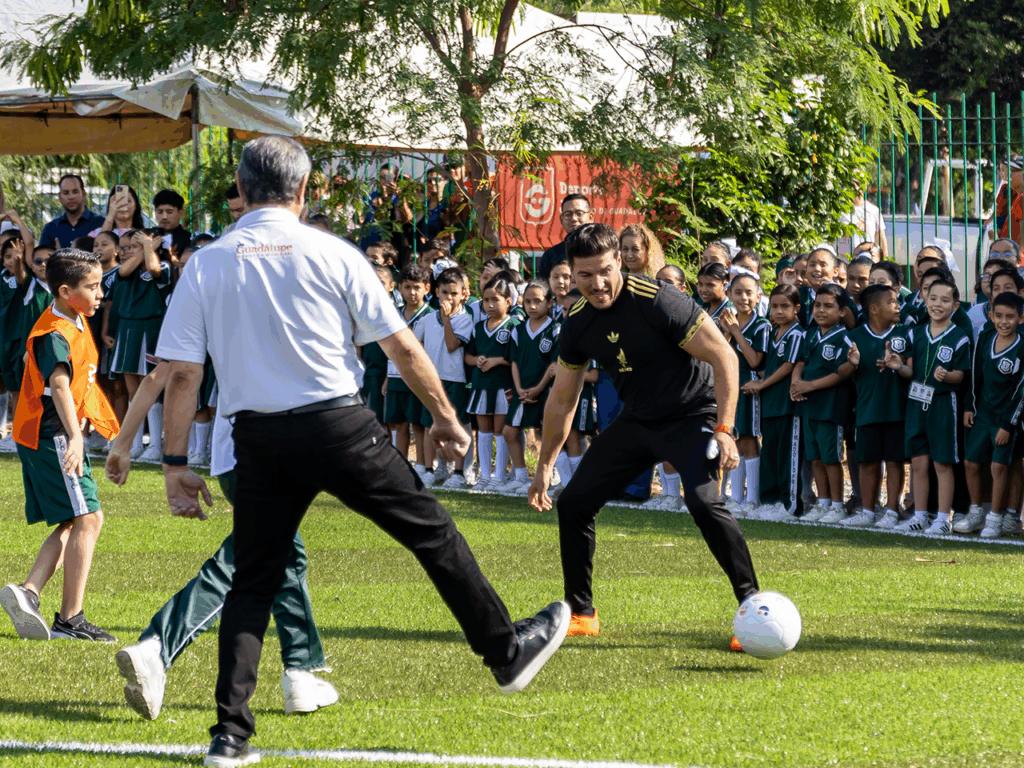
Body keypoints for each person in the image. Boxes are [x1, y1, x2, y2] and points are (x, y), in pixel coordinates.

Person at [154, 136, 570, 767]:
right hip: (338, 425)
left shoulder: (209, 263)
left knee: (255, 579)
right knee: (432, 533)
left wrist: (177, 464)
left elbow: (181, 373)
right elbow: (403, 348)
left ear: (242, 186)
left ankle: (230, 736)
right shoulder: (331, 252)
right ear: (303, 189)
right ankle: (505, 653)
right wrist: (447, 419)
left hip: (258, 437)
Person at [527, 223, 760, 647]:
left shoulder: (659, 300)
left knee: (704, 502)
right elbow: (562, 399)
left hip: (693, 416)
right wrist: (544, 466)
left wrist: (725, 431)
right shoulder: (576, 322)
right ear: (570, 274)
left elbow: (724, 357)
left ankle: (753, 609)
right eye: (585, 276)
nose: (597, 284)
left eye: (604, 271)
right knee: (574, 503)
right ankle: (581, 613)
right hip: (638, 422)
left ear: (620, 261)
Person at [104, 362, 337, 720]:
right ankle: (158, 648)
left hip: (232, 457)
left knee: (287, 556)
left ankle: (300, 673)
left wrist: (126, 444)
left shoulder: (209, 303)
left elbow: (160, 377)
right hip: (273, 451)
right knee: (246, 559)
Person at [0, 248, 118, 643]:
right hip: (49, 436)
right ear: (66, 291)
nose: (101, 293)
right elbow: (60, 385)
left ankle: (28, 592)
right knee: (89, 518)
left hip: (46, 435)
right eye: (93, 286)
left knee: (74, 519)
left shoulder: (75, 320)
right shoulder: (53, 331)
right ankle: (70, 619)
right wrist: (75, 438)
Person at [890, 276, 970, 533]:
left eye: (945, 300)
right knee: (918, 463)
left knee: (942, 463)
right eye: (933, 298)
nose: (938, 304)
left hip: (944, 405)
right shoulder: (916, 333)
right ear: (924, 300)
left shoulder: (959, 337)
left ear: (955, 306)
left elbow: (961, 375)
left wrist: (947, 376)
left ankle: (943, 518)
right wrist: (898, 366)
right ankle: (920, 515)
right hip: (916, 403)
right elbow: (909, 371)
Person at [844, 284, 910, 529]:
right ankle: (868, 510)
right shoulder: (855, 337)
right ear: (873, 309)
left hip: (897, 411)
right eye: (892, 302)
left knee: (894, 462)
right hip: (866, 411)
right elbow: (842, 373)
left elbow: (912, 371)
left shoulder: (905, 333)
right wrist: (852, 364)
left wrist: (900, 366)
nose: (898, 306)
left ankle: (892, 509)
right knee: (868, 462)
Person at [959, 291, 1024, 538]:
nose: (1004, 321)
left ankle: (996, 518)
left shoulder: (1022, 347)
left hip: (1006, 419)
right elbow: (975, 376)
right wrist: (968, 406)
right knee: (971, 463)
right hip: (982, 414)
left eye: (1010, 316)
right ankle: (976, 512)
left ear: (1021, 318)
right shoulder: (985, 339)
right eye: (998, 316)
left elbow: (1021, 392)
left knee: (999, 466)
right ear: (991, 316)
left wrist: (1009, 424)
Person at [790, 284, 855, 523]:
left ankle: (837, 505)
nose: (821, 310)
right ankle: (823, 502)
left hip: (830, 408)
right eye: (817, 305)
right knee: (815, 458)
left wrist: (809, 386)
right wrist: (796, 382)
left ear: (841, 312)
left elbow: (841, 373)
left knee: (831, 459)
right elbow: (800, 362)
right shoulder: (810, 334)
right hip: (809, 407)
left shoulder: (845, 337)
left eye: (829, 306)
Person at [109, 229, 172, 462]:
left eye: (133, 247)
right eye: (126, 248)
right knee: (132, 388)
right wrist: (146, 247)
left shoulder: (162, 266)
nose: (127, 253)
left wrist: (149, 249)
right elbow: (124, 269)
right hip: (127, 329)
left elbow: (155, 270)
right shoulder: (125, 271)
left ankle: (155, 444)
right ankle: (134, 444)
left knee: (152, 387)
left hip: (150, 329)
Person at [746, 284, 803, 522]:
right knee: (769, 453)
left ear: (796, 308)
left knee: (786, 455)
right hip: (771, 404)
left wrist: (762, 384)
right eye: (775, 306)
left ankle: (788, 503)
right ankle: (769, 500)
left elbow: (789, 366)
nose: (779, 311)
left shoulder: (797, 333)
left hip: (788, 405)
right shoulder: (773, 332)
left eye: (785, 306)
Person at [413, 267, 474, 489]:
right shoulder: (427, 320)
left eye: (454, 293)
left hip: (454, 380)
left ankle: (458, 472)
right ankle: (431, 470)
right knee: (430, 424)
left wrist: (447, 319)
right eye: (445, 292)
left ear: (463, 294)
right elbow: (415, 345)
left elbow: (451, 345)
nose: (449, 297)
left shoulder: (465, 319)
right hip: (431, 380)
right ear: (437, 292)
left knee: (455, 424)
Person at [718, 273, 769, 515]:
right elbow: (721, 357)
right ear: (728, 295)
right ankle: (736, 497)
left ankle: (753, 498)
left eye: (749, 292)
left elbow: (755, 361)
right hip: (729, 386)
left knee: (749, 439)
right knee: (734, 439)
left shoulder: (762, 325)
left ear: (759, 297)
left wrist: (736, 332)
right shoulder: (724, 321)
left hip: (749, 386)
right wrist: (727, 332)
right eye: (738, 292)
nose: (744, 297)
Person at [501, 279, 558, 494]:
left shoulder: (555, 329)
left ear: (550, 303)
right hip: (522, 391)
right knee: (509, 432)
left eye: (538, 301)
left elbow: (554, 365)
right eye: (527, 301)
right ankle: (521, 476)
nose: (532, 306)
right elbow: (513, 361)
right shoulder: (518, 329)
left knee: (547, 434)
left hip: (546, 392)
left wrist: (538, 389)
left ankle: (551, 474)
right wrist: (519, 389)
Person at [465, 274, 517, 491]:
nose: (490, 304)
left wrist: (497, 360)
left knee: (501, 430)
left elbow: (517, 357)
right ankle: (485, 475)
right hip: (480, 385)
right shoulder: (477, 327)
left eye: (496, 299)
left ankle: (499, 476)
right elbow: (468, 356)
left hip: (503, 386)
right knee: (483, 431)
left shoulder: (514, 325)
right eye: (486, 300)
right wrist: (478, 360)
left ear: (508, 301)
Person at [383, 264, 434, 482]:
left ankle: (422, 466)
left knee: (419, 423)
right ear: (400, 289)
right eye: (407, 287)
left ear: (427, 289)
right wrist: (386, 378)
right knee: (398, 423)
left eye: (416, 287)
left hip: (418, 377)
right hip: (395, 376)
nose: (412, 292)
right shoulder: (394, 314)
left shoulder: (431, 315)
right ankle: (401, 465)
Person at [359, 264, 396, 425]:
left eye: (381, 282)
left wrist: (389, 376)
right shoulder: (362, 311)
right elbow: (357, 344)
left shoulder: (397, 312)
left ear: (391, 286)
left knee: (388, 422)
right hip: (368, 374)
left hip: (389, 373)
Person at [38, 175, 104, 249]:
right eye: (66, 193)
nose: (71, 197)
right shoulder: (50, 229)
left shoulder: (100, 224)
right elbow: (42, 257)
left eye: (75, 192)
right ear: (59, 197)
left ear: (84, 194)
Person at [536, 195, 593, 280]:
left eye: (579, 213)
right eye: (568, 214)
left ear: (590, 217)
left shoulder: (602, 248)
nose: (573, 218)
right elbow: (543, 287)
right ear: (561, 220)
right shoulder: (551, 255)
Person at [839, 180, 889, 259]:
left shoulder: (873, 210)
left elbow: (880, 238)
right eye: (852, 184)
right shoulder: (840, 210)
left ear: (865, 187)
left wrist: (885, 261)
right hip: (845, 260)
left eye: (858, 183)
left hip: (868, 259)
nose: (855, 187)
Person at [153, 189, 192, 259]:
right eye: (160, 212)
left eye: (169, 212)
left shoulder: (190, 240)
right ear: (155, 213)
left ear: (181, 213)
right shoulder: (148, 237)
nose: (164, 217)